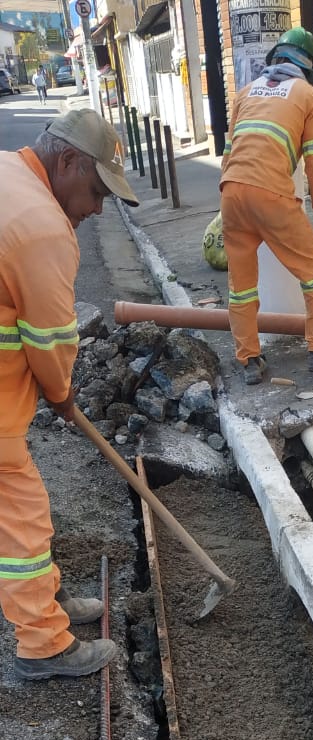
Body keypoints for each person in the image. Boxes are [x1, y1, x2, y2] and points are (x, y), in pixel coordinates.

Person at [0, 108, 139, 680]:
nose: (97, 208)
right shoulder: (41, 227)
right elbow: (54, 340)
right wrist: (60, 394)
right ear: (68, 161)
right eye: (95, 190)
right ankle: (43, 644)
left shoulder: (11, 172)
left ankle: (45, 602)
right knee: (23, 516)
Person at [220, 26, 313, 385]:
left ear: (275, 59)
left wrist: (229, 203)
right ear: (308, 68)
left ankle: (249, 360)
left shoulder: (246, 93)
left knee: (242, 285)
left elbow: (229, 154)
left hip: (231, 192)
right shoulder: (309, 98)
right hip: (272, 194)